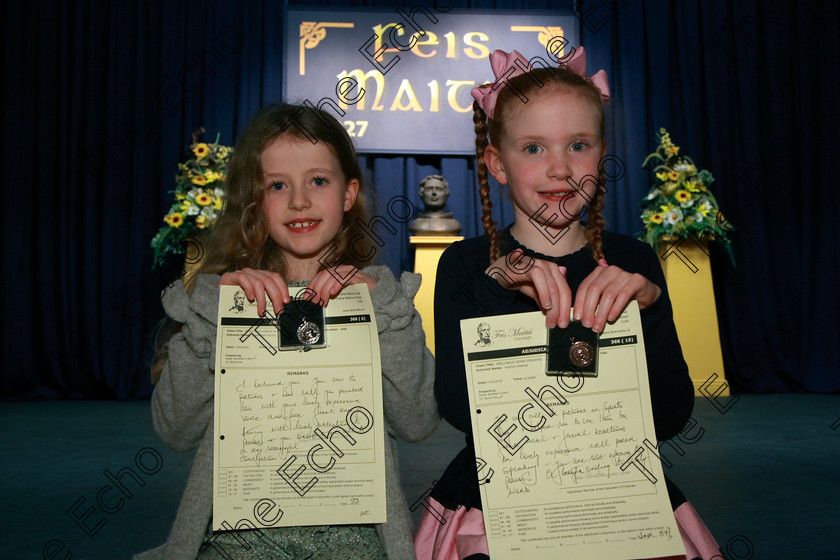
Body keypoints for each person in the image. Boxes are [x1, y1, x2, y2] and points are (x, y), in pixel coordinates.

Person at [414, 49, 720, 560]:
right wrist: (496, 286)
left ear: (600, 156)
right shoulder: (466, 266)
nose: (559, 168)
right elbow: (459, 408)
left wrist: (651, 307)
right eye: (533, 147)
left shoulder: (631, 259)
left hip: (618, 492)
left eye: (577, 145)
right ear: (498, 164)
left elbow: (668, 417)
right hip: (494, 503)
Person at [136, 103, 438, 560]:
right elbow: (175, 429)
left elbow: (417, 422)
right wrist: (216, 315)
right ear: (255, 199)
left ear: (349, 193)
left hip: (355, 545)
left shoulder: (380, 299)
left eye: (318, 180)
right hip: (233, 545)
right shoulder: (225, 299)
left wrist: (383, 310)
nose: (299, 201)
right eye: (278, 185)